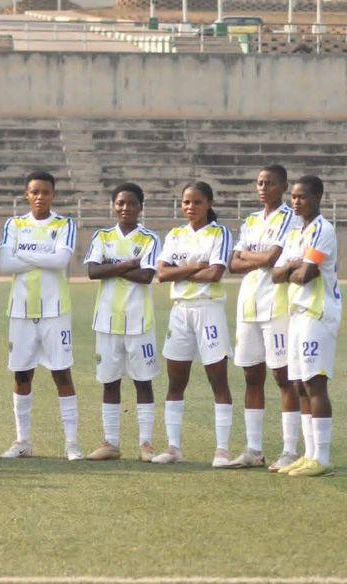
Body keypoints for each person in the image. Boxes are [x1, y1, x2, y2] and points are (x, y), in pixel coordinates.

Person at [0, 171, 81, 461]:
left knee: (62, 373)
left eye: (45, 192)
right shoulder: (14, 224)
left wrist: (25, 256)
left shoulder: (65, 224)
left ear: (53, 195)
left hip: (55, 311)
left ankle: (72, 443)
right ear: (26, 194)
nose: (40, 197)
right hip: (20, 311)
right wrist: (42, 259)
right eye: (34, 192)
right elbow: (5, 263)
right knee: (22, 375)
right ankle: (23, 442)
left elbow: (61, 261)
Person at [152, 181, 234, 467]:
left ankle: (222, 450)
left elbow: (215, 274)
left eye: (197, 202)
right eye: (186, 202)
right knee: (176, 380)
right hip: (180, 311)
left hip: (208, 309)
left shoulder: (220, 233)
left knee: (217, 379)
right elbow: (162, 273)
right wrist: (196, 266)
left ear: (208, 204)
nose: (190, 207)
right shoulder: (175, 235)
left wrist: (182, 272)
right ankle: (174, 448)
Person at [228, 165, 300, 470]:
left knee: (282, 376)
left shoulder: (290, 218)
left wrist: (252, 258)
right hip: (248, 304)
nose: (262, 187)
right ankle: (254, 449)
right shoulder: (252, 220)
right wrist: (260, 260)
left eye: (268, 183)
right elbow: (233, 263)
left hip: (276, 305)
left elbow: (274, 259)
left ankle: (290, 449)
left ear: (282, 186)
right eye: (258, 183)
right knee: (250, 375)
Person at [84, 183, 161, 462]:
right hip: (106, 321)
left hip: (140, 321)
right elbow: (93, 271)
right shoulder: (102, 236)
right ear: (114, 206)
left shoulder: (150, 238)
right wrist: (129, 264)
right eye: (120, 203)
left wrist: (112, 269)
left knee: (143, 382)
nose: (125, 208)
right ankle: (111, 444)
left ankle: (146, 444)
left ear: (140, 207)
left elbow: (147, 276)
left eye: (131, 203)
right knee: (110, 382)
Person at [271, 175, 340, 477]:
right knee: (298, 383)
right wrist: (291, 266)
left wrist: (292, 268)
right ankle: (309, 454)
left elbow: (306, 275)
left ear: (318, 197)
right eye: (294, 197)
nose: (296, 202)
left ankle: (322, 456)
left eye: (303, 197)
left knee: (315, 382)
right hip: (297, 313)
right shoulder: (296, 234)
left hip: (317, 313)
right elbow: (276, 274)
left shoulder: (323, 230)